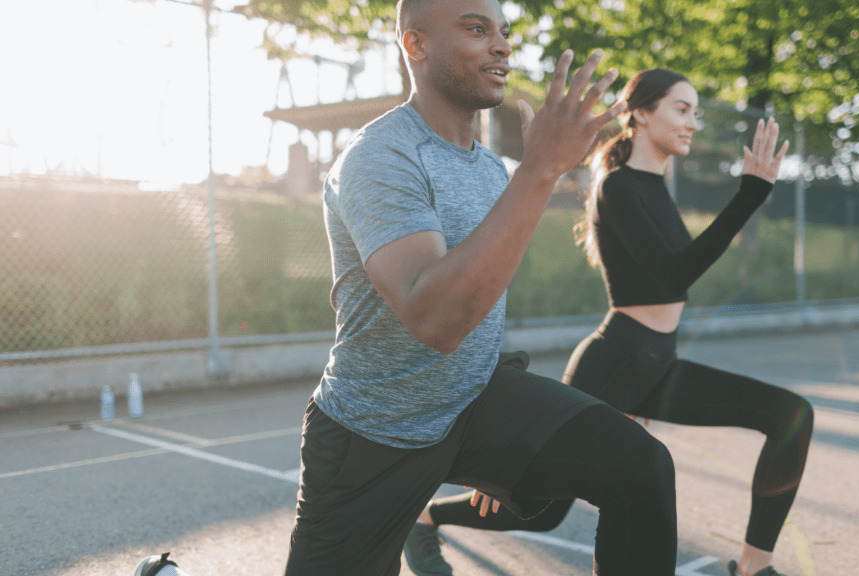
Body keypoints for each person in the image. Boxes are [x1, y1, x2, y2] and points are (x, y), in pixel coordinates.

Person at [284, 0, 682, 574]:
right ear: (415, 46)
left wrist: (509, 446)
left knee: (638, 465)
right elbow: (436, 320)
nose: (502, 45)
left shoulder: (492, 169)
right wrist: (540, 170)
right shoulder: (380, 158)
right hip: (374, 433)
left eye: (503, 31)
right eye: (476, 29)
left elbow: (481, 299)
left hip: (471, 404)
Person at [405, 69, 813, 576]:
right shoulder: (617, 187)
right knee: (544, 509)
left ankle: (754, 567)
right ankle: (423, 515)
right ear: (640, 113)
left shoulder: (655, 187)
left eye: (696, 112)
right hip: (615, 363)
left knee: (789, 417)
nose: (692, 122)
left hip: (658, 363)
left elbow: (675, 277)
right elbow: (674, 274)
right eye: (681, 109)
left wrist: (750, 194)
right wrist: (749, 194)